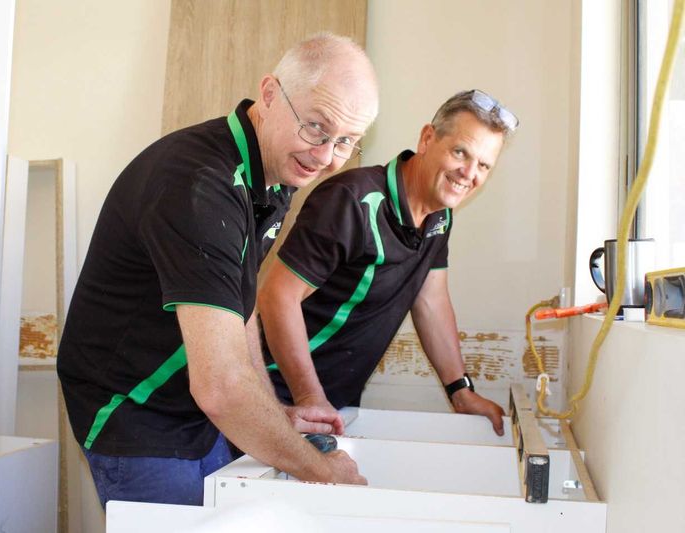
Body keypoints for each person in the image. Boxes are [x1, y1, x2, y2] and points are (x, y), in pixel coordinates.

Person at [56, 33, 379, 507]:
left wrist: (271, 414)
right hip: (136, 418)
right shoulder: (200, 187)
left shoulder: (270, 173)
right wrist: (323, 472)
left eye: (346, 142)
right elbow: (223, 385)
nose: (326, 157)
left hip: (193, 414)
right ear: (269, 94)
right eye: (316, 127)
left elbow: (240, 308)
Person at [258, 90, 518, 436]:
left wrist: (460, 391)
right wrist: (310, 397)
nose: (468, 173)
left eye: (484, 165)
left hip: (334, 404)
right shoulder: (352, 201)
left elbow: (431, 300)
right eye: (460, 152)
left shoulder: (440, 216)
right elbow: (277, 296)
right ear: (427, 138)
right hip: (278, 397)